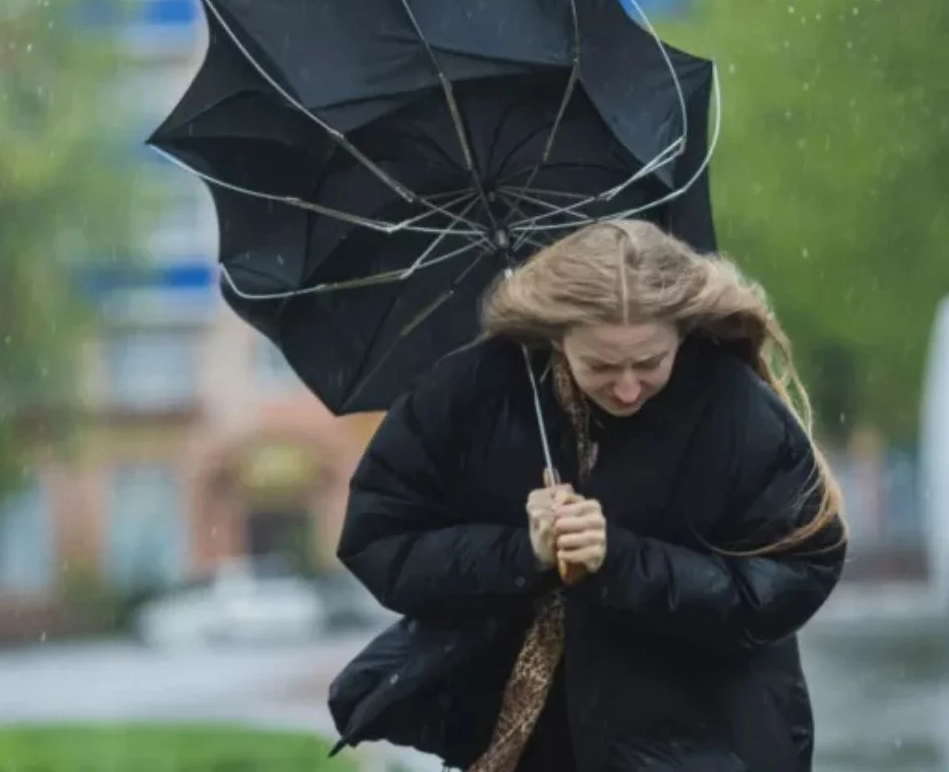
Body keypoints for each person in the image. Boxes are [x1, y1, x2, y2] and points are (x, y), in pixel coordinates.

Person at [329, 218, 848, 772]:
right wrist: (521, 554)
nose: (627, 387)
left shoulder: (734, 409)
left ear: (682, 330)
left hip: (699, 748)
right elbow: (380, 540)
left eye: (650, 363)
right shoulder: (469, 393)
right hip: (524, 749)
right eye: (599, 365)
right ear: (556, 335)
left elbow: (795, 576)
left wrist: (622, 562)